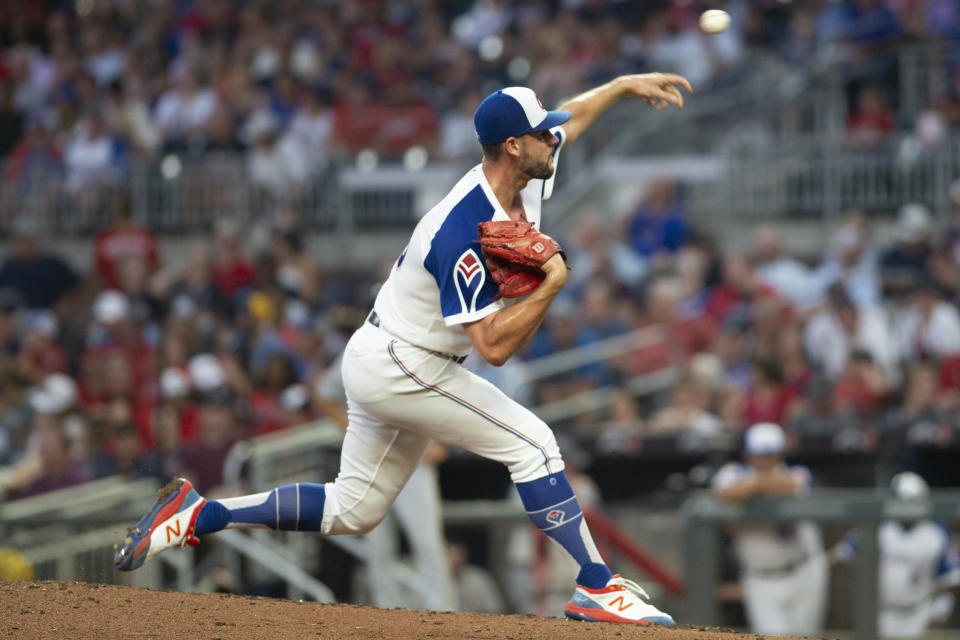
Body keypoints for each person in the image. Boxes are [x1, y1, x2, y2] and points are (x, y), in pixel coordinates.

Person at [114, 73, 692, 625]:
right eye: (544, 132)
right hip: (403, 361)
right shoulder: (462, 233)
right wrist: (553, 283)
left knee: (353, 511)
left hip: (390, 356)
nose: (555, 137)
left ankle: (199, 513)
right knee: (535, 445)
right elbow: (492, 349)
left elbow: (576, 119)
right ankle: (596, 584)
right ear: (514, 146)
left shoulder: (525, 169)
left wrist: (619, 88)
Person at [711, 422, 829, 636]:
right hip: (761, 578)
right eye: (759, 455)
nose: (765, 461)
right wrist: (761, 484)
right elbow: (725, 492)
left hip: (804, 571)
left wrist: (753, 488)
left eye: (771, 455)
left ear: (781, 455)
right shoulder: (733, 473)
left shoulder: (797, 473)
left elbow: (794, 485)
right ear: (747, 455)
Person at [831, 472, 960, 638]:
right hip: (880, 613)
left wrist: (938, 617)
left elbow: (950, 581)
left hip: (919, 614)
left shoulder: (938, 532)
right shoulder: (877, 524)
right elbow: (842, 554)